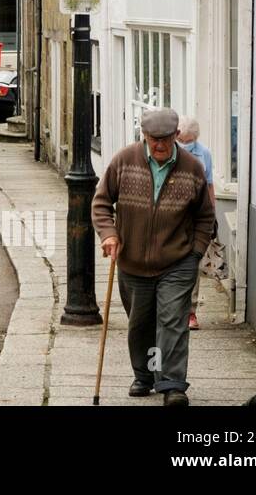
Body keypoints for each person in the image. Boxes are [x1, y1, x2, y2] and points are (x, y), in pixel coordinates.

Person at [92, 107, 216, 406]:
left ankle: (172, 384)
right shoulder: (124, 160)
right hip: (132, 262)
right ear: (143, 135)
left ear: (176, 135)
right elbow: (101, 202)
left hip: (178, 261)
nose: (159, 145)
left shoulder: (192, 168)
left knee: (172, 322)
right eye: (152, 138)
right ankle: (146, 375)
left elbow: (205, 216)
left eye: (165, 139)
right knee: (141, 325)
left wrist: (196, 253)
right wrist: (108, 234)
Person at [177, 116, 214, 330]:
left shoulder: (204, 154)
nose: (184, 145)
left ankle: (190, 311)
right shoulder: (170, 152)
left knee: (193, 264)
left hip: (196, 217)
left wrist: (212, 214)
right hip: (174, 217)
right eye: (181, 140)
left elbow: (209, 185)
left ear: (196, 139)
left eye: (188, 141)